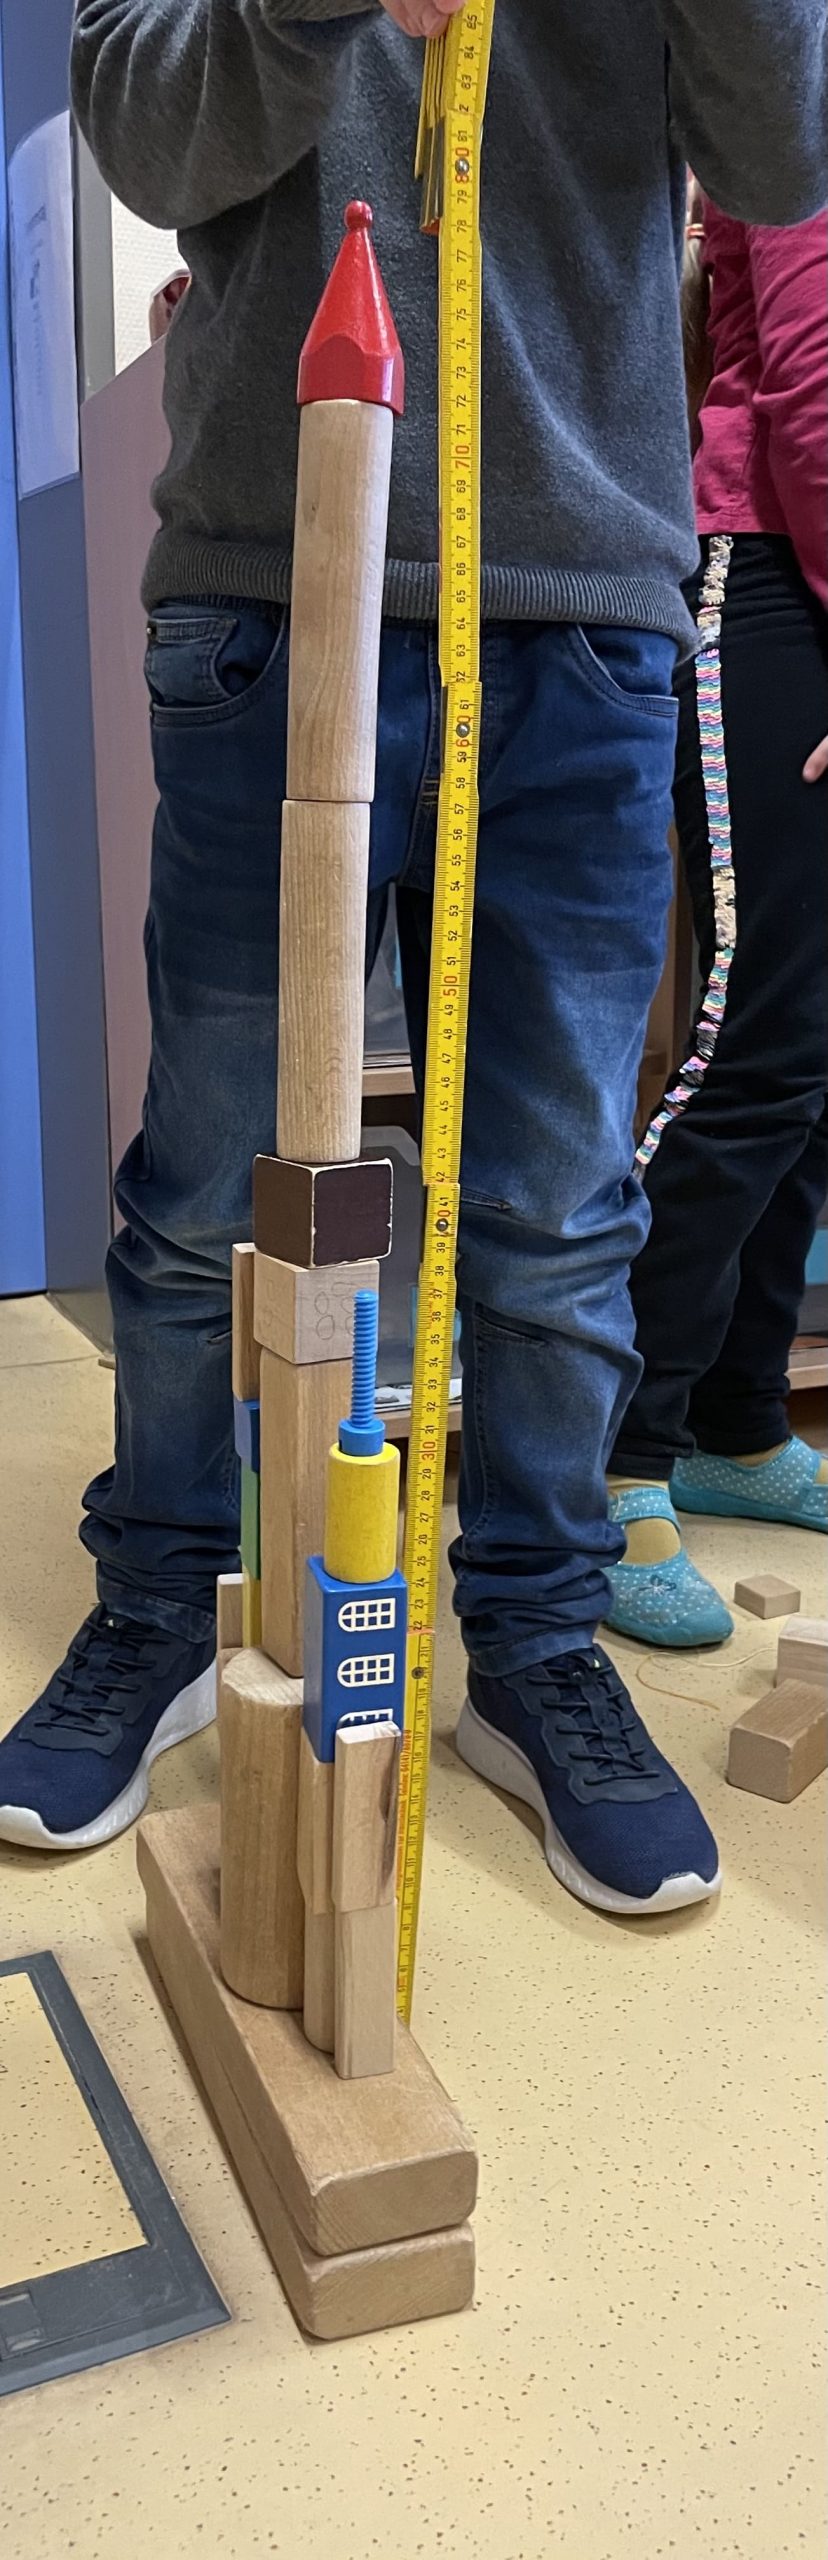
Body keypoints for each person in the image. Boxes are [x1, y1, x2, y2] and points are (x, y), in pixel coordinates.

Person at [0, 0, 825, 1914]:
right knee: (208, 1183)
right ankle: (162, 1597)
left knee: (555, 1200)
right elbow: (151, 142)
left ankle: (531, 1636)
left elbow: (782, 158)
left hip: (585, 609)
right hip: (271, 579)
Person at [606, 196, 828, 1649]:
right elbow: (811, 375)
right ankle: (609, 1455)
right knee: (754, 1050)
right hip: (771, 574)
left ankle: (737, 1420)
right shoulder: (803, 93)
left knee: (815, 1061)